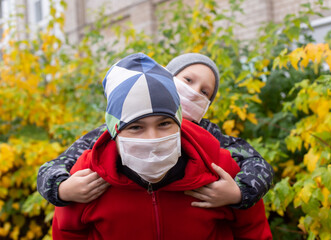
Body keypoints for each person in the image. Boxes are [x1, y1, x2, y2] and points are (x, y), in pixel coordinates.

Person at [52, 53, 272, 239]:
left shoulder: (216, 158)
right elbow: (65, 225)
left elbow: (253, 221)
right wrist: (61, 190)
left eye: (164, 124)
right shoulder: (89, 167)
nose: (152, 138)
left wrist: (240, 193)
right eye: (136, 127)